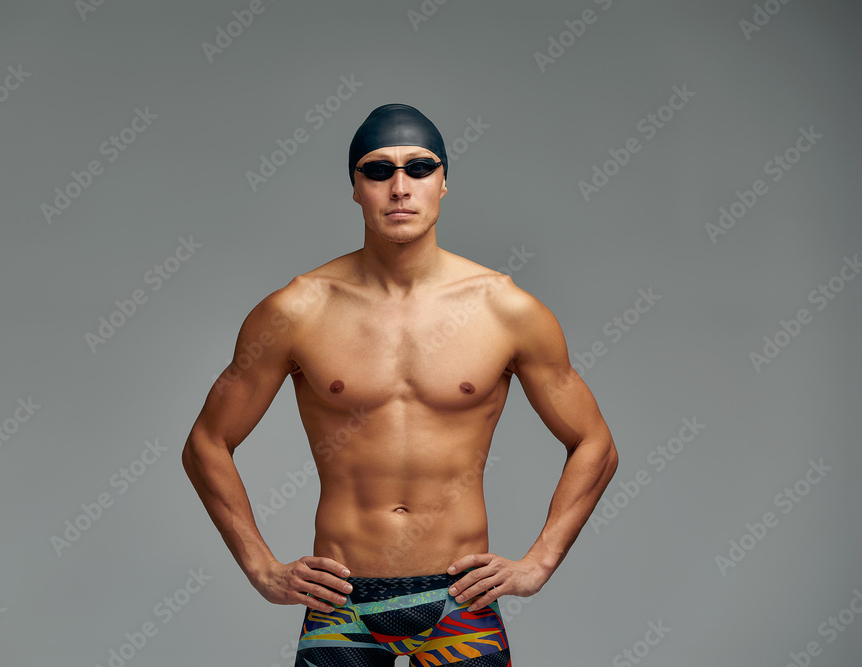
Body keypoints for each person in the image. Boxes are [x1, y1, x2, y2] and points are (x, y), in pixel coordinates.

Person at [182, 103, 618, 666]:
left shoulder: (504, 309)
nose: (399, 187)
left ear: (443, 181)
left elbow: (595, 443)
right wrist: (261, 566)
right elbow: (206, 443)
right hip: (342, 603)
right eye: (378, 170)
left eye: (418, 167)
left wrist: (540, 561)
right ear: (355, 188)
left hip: (460, 600)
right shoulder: (297, 310)